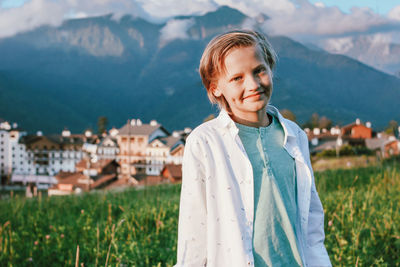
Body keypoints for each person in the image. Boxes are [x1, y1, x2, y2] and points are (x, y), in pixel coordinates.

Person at [175, 30, 331, 267]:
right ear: (216, 88)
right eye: (237, 78)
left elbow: (311, 222)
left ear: (270, 69)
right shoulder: (205, 142)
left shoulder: (295, 135)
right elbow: (194, 233)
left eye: (259, 70)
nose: (253, 84)